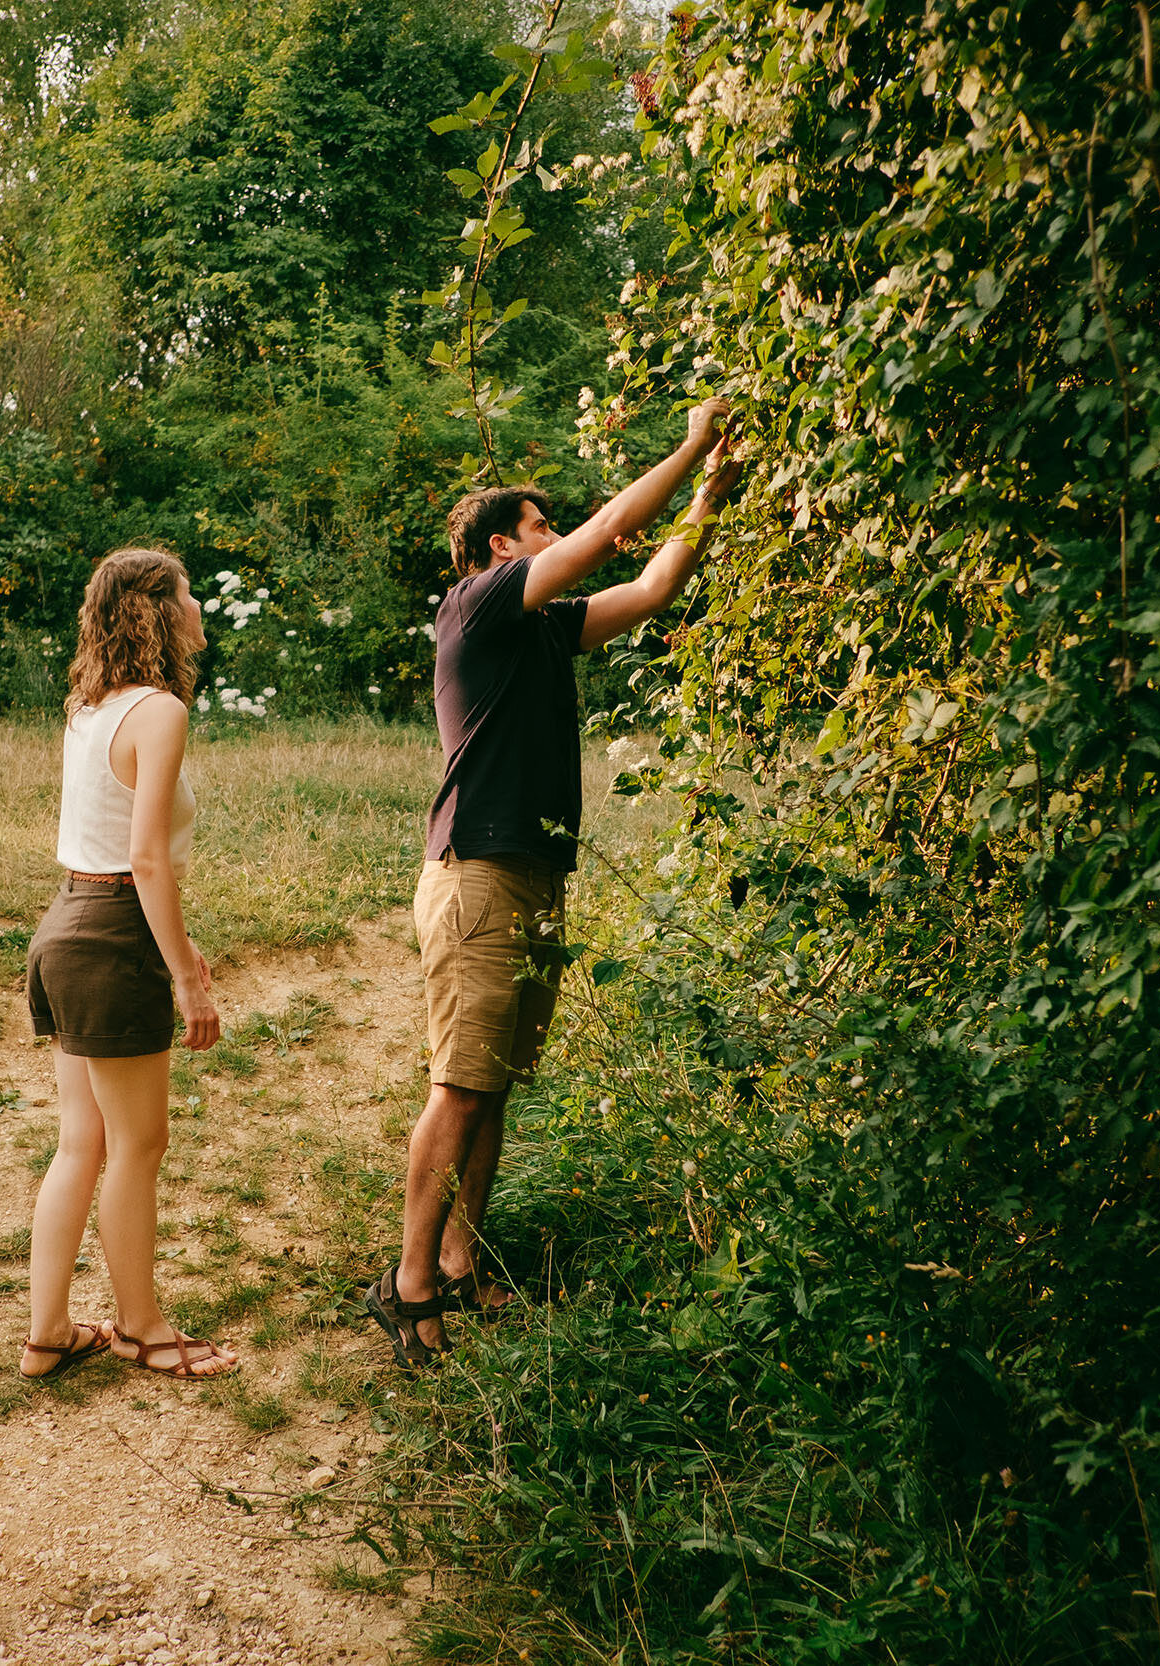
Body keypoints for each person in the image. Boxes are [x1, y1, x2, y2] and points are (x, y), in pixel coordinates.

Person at [367, 400, 743, 1366]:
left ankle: (462, 1261)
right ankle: (406, 1287)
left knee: (493, 1090)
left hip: (531, 879)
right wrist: (692, 439)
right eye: (540, 527)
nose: (554, 538)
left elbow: (652, 586)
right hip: (480, 875)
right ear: (503, 546)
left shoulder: (542, 628)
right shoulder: (479, 603)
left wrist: (711, 495)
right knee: (459, 1089)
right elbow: (610, 534)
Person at [20, 547, 238, 1382]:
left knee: (82, 1140)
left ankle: (49, 1335)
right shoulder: (160, 711)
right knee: (140, 1144)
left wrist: (177, 944)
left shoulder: (88, 707)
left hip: (69, 923)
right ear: (155, 611)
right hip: (115, 932)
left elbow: (117, 847)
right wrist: (183, 975)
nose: (197, 607)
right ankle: (143, 1330)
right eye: (187, 594)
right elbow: (146, 859)